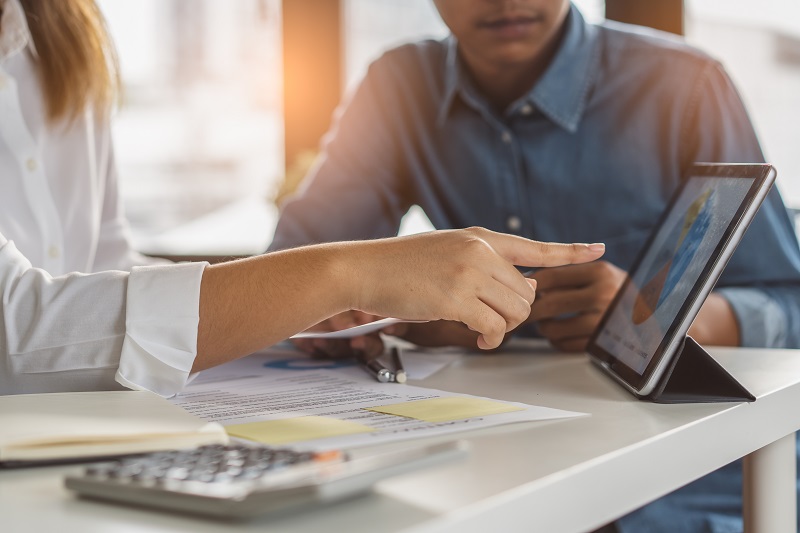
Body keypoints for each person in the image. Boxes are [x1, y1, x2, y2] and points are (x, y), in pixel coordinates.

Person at [269, 0, 800, 531]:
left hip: (686, 484)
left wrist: (652, 319)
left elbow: (788, 305)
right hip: (489, 470)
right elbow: (290, 276)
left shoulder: (685, 83)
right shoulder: (399, 84)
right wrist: (388, 306)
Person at [0, 0, 606, 397]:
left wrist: (284, 301)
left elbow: (102, 266)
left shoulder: (61, 34)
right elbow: (18, 331)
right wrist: (334, 278)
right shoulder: (400, 82)